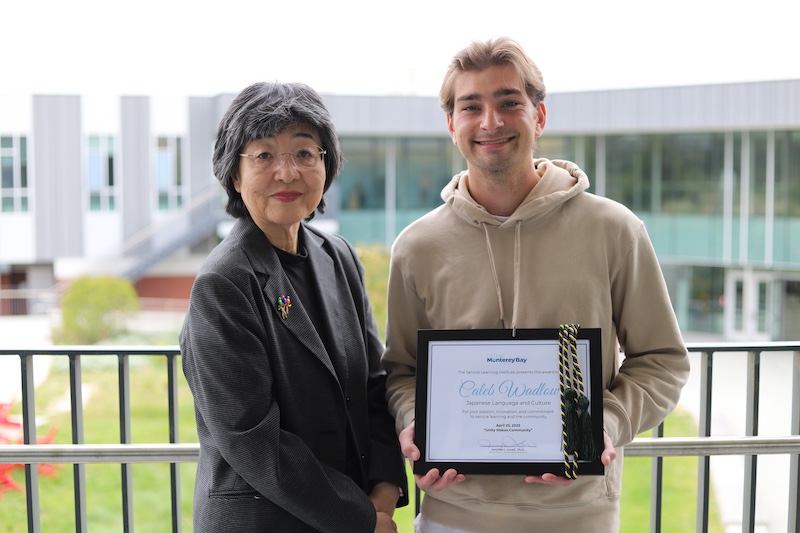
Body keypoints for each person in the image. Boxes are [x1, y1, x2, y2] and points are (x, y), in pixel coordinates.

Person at [381, 37, 690, 532]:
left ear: (539, 117)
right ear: (451, 125)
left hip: (579, 514)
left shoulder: (614, 229)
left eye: (509, 103)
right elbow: (401, 371)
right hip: (453, 516)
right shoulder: (417, 246)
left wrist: (603, 423)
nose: (491, 122)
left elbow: (663, 361)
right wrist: (416, 421)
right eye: (471, 107)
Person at [180, 81, 408, 533]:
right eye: (264, 155)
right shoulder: (223, 283)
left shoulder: (337, 255)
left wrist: (384, 487)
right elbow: (253, 441)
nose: (287, 173)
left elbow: (372, 384)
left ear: (326, 166)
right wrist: (363, 519)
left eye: (305, 153)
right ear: (235, 173)